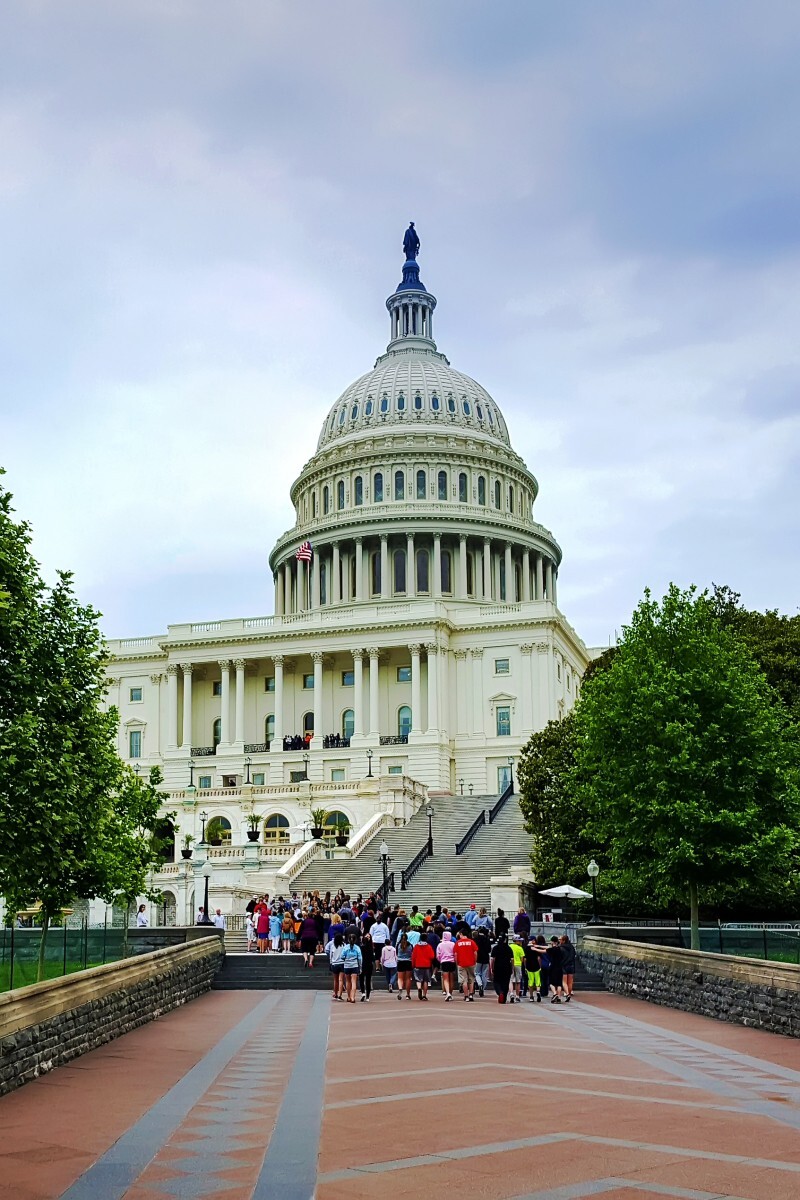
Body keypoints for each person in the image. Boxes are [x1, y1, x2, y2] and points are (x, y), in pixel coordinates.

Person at [454, 929, 478, 1001]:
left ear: (461, 934)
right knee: (471, 979)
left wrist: (457, 963)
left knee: (464, 980)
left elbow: (456, 954)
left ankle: (466, 996)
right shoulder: (472, 942)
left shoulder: (458, 943)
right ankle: (471, 994)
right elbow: (475, 953)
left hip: (461, 963)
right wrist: (475, 961)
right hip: (471, 963)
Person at [490, 932, 513, 1004]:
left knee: (496, 982)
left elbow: (492, 959)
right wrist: (512, 968)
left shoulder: (495, 948)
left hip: (497, 967)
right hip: (507, 967)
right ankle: (504, 997)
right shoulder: (509, 948)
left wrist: (491, 968)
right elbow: (512, 960)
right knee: (506, 982)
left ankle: (500, 992)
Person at [411, 933, 436, 1000]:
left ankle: (419, 988)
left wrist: (413, 964)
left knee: (418, 979)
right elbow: (432, 956)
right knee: (426, 981)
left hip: (418, 965)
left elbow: (413, 957)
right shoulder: (429, 946)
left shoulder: (416, 946)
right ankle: (424, 995)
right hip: (427, 965)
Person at [341, 933, 363, 1002]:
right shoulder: (357, 948)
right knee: (354, 982)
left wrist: (346, 959)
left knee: (348, 981)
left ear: (348, 940)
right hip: (354, 966)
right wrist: (360, 967)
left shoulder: (345, 947)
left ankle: (348, 997)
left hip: (347, 966)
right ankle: (353, 997)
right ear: (355, 940)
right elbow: (359, 958)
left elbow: (342, 957)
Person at [436, 930, 457, 1000]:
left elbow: (438, 955)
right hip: (452, 962)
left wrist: (440, 960)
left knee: (446, 979)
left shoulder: (440, 944)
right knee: (451, 979)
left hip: (444, 962)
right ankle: (450, 993)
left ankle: (447, 992)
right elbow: (455, 953)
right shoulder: (453, 944)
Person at [473, 926, 491, 997]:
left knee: (477, 973)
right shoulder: (487, 939)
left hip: (478, 958)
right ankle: (482, 988)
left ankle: (479, 984)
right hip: (486, 958)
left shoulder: (475, 939)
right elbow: (489, 950)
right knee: (484, 974)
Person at [327, 932, 345, 1000]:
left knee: (335, 980)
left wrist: (331, 962)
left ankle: (335, 993)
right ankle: (340, 994)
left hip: (334, 964)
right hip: (342, 963)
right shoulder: (344, 945)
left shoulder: (333, 946)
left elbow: (331, 955)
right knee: (341, 980)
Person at [395, 932, 413, 999]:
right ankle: (408, 994)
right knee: (408, 979)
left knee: (400, 978)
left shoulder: (398, 945)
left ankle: (400, 989)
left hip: (400, 962)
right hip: (408, 962)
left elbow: (397, 953)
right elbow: (412, 953)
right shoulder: (410, 945)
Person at [548, 935, 565, 1003]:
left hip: (553, 967)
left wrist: (535, 948)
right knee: (559, 983)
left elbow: (545, 950)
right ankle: (559, 997)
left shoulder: (552, 949)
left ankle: (555, 994)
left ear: (552, 942)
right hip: (560, 967)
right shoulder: (560, 949)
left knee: (551, 982)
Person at [524, 937, 542, 1002]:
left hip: (529, 966)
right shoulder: (536, 948)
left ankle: (531, 996)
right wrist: (540, 966)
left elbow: (525, 959)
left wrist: (525, 966)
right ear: (533, 941)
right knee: (538, 981)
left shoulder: (526, 948)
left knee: (530, 981)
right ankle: (538, 992)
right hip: (536, 966)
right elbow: (539, 958)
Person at [560, 934, 576, 1000]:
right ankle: (569, 993)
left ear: (563, 940)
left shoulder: (561, 948)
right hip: (571, 965)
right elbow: (573, 955)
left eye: (560, 939)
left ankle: (566, 993)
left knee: (564, 981)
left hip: (564, 965)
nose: (560, 941)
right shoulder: (571, 947)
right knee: (570, 982)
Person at [360, 933, 375, 1001]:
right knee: (368, 980)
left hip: (362, 964)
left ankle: (363, 992)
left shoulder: (361, 947)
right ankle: (367, 996)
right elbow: (372, 958)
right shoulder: (371, 948)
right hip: (369, 965)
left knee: (361, 979)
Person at [509, 936, 525, 1003]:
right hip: (518, 964)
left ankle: (511, 993)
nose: (520, 942)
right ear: (516, 941)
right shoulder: (520, 948)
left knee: (510, 980)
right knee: (518, 981)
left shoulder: (510, 946)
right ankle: (517, 996)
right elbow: (522, 958)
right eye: (519, 940)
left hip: (511, 964)